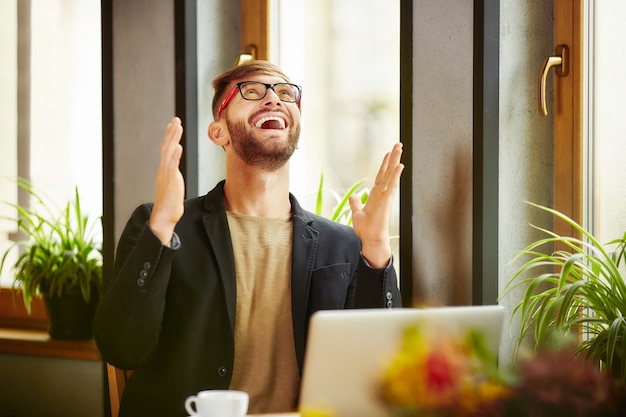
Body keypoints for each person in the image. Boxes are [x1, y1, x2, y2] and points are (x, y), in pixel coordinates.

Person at [94, 60, 404, 417]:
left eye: (286, 93)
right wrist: (161, 227)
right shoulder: (163, 225)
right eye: (252, 92)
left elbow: (381, 367)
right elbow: (121, 348)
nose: (273, 99)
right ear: (219, 133)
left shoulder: (344, 245)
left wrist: (377, 249)